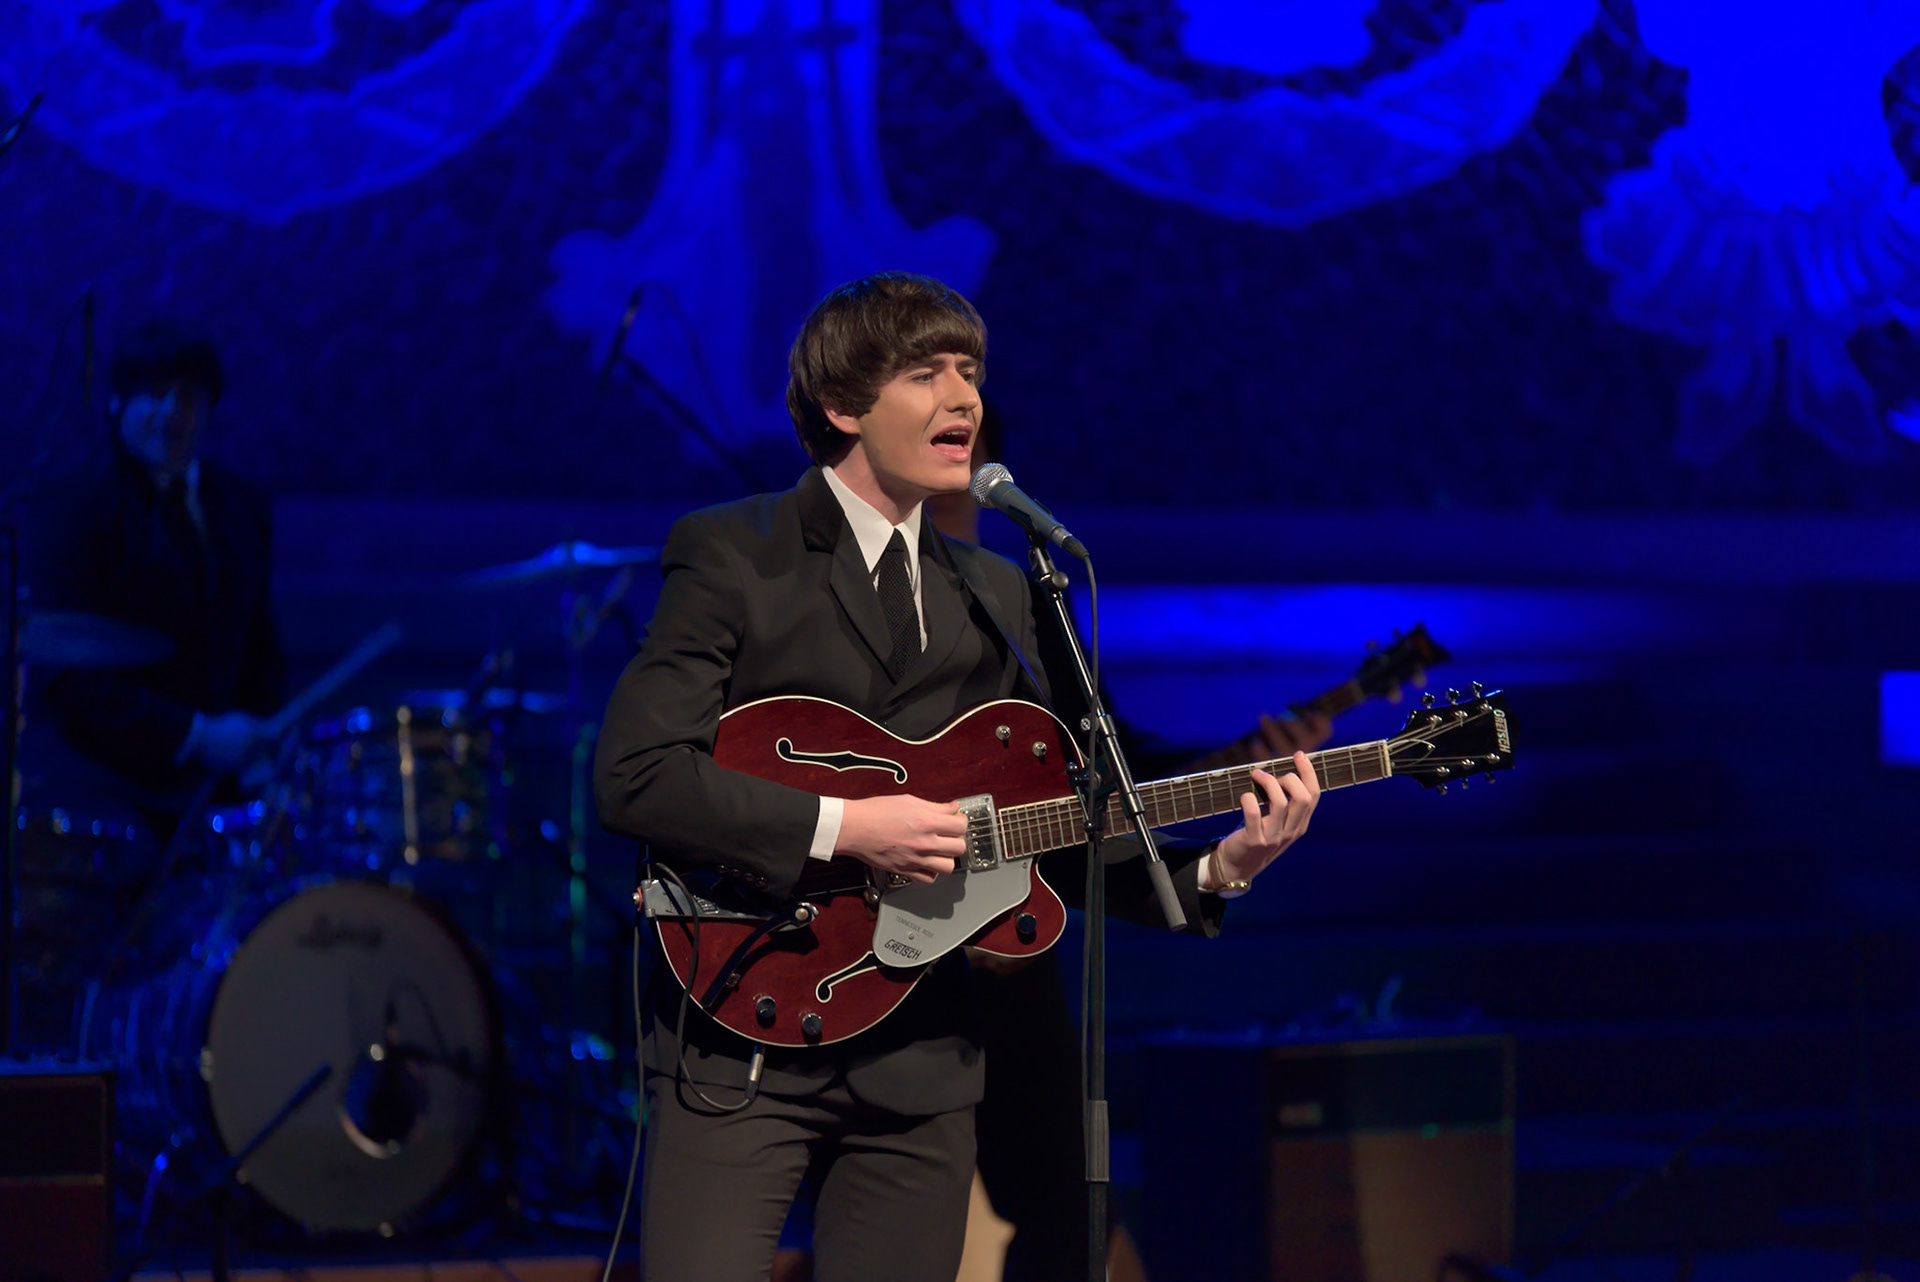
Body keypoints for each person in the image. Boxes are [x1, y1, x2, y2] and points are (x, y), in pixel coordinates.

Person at [594, 271, 1320, 1282]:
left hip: (921, 1062)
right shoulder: (733, 552)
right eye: (925, 373)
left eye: (969, 371)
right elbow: (636, 774)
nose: (963, 398)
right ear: (842, 403)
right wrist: (848, 828)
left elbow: (1043, 826)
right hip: (744, 1033)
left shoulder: (1001, 591)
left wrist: (1219, 869)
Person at [22, 318, 284, 837]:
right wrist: (197, 735)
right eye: (155, 394)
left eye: (189, 397)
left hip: (218, 781)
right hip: (100, 779)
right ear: (117, 402)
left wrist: (262, 741)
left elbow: (258, 647)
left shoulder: (241, 504)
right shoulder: (70, 503)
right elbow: (66, 679)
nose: (171, 412)